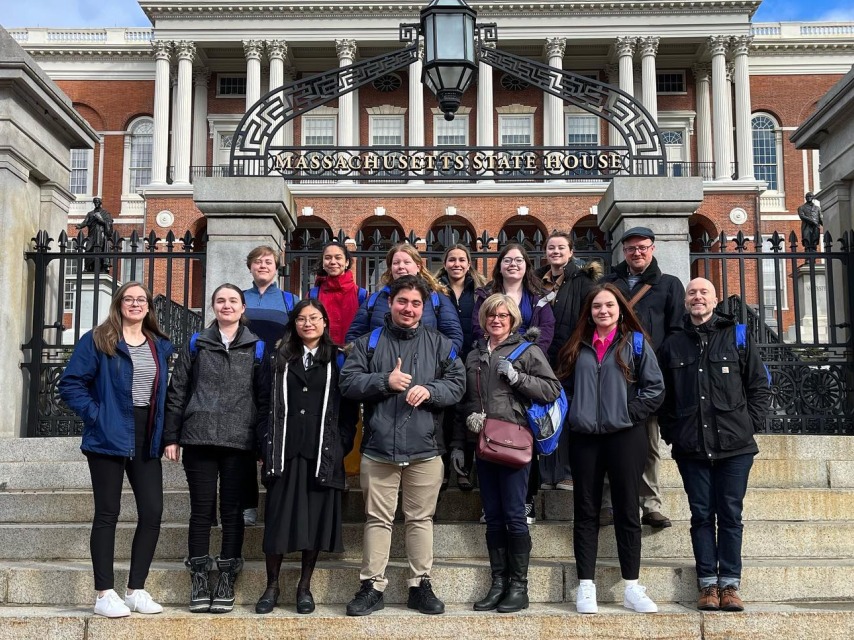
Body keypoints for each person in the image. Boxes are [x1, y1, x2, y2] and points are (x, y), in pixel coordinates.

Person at [339, 275, 466, 617]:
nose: (408, 308)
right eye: (402, 301)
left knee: (420, 519)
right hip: (379, 448)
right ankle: (372, 585)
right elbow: (347, 382)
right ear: (390, 302)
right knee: (377, 519)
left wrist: (431, 391)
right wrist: (385, 381)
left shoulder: (440, 343)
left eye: (415, 303)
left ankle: (419, 585)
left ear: (423, 308)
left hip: (425, 448)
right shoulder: (369, 342)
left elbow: (458, 383)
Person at [58, 281, 173, 618]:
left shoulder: (160, 345)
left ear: (149, 307)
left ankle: (136, 590)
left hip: (145, 433)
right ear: (119, 303)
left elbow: (162, 394)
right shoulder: (98, 339)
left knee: (152, 512)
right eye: (129, 299)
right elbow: (70, 384)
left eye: (142, 299)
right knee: (108, 513)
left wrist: (166, 433)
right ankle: (104, 593)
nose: (136, 304)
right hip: (108, 433)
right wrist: (97, 415)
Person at [658, 278, 771, 612]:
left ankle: (730, 584)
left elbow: (759, 386)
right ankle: (708, 584)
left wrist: (749, 425)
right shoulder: (674, 344)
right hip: (691, 446)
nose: (697, 297)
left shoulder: (736, 335)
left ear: (715, 299)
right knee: (701, 514)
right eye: (692, 293)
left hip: (735, 446)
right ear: (685, 301)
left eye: (704, 292)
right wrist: (672, 433)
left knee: (731, 514)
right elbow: (663, 396)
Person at [555, 283, 665, 615]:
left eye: (609, 306)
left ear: (620, 309)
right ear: (589, 312)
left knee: (627, 510)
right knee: (586, 511)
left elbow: (655, 389)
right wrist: (576, 414)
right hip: (586, 438)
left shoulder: (635, 343)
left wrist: (627, 414)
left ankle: (631, 586)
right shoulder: (578, 346)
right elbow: (564, 387)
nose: (603, 311)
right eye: (597, 307)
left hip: (625, 436)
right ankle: (585, 585)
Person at [164, 283, 271, 614]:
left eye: (233, 301)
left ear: (243, 309)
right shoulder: (196, 343)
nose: (227, 305)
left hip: (239, 439)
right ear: (213, 307)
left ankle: (227, 573)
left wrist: (261, 440)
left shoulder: (258, 348)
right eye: (221, 300)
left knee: (232, 510)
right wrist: (171, 435)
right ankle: (198, 574)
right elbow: (178, 389)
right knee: (201, 509)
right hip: (199, 436)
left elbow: (265, 397)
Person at [451, 293, 560, 613]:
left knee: (514, 516)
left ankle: (519, 586)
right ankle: (498, 583)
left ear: (512, 320)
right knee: (494, 517)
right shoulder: (473, 356)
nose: (496, 320)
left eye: (503, 316)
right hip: (483, 445)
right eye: (490, 315)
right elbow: (465, 404)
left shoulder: (528, 351)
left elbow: (551, 389)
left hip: (514, 442)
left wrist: (518, 378)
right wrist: (460, 442)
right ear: (483, 320)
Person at [255, 299, 358, 615]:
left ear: (325, 322)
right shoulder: (277, 358)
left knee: (313, 521)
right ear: (294, 324)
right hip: (284, 451)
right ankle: (272, 586)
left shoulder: (338, 360)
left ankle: (304, 586)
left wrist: (340, 444)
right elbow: (262, 403)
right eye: (301, 318)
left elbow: (349, 410)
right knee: (277, 520)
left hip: (321, 452)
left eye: (314, 318)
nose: (308, 323)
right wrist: (265, 442)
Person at [602, 226, 684, 529]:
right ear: (623, 251)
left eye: (642, 247)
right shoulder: (609, 283)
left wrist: (663, 373)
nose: (637, 253)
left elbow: (676, 332)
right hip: (611, 374)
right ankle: (609, 504)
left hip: (648, 378)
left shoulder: (669, 285)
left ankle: (650, 504)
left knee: (649, 442)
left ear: (653, 248)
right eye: (631, 248)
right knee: (609, 440)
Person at [472, 242, 555, 523]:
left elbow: (547, 328)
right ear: (500, 264)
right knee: (491, 440)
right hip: (491, 369)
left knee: (521, 443)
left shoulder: (537, 295)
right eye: (507, 259)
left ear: (526, 265)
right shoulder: (485, 293)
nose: (513, 265)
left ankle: (526, 501)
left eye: (519, 260)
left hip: (523, 370)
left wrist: (527, 357)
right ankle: (491, 504)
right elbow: (477, 325)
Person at [534, 230, 601, 490]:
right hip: (541, 357)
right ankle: (545, 474)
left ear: (571, 252)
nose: (556, 252)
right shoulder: (537, 280)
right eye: (551, 248)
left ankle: (565, 473)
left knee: (566, 414)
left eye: (561, 248)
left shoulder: (584, 281)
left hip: (571, 356)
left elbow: (590, 318)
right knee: (542, 414)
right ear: (545, 252)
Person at [242, 245, 299, 526]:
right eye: (258, 262)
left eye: (268, 261)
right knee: (244, 440)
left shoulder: (290, 300)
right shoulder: (239, 298)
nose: (263, 265)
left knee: (272, 435)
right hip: (243, 373)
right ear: (250, 267)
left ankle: (274, 500)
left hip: (277, 372)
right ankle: (247, 504)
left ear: (277, 268)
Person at [345, 243, 463, 353]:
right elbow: (355, 336)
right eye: (396, 263)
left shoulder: (436, 298)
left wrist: (436, 363)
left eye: (407, 262)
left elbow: (453, 336)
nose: (401, 267)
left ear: (418, 267)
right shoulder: (374, 300)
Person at [435, 243, 486, 491]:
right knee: (444, 414)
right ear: (444, 264)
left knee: (468, 413)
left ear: (469, 264)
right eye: (452, 259)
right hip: (442, 360)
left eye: (461, 260)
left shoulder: (480, 291)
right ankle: (443, 469)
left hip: (472, 358)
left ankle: (464, 469)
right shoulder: (435, 291)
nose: (457, 264)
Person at [308, 241, 366, 345]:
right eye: (328, 258)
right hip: (321, 355)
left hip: (352, 356)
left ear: (347, 262)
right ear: (323, 263)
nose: (333, 262)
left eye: (338, 257)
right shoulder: (313, 295)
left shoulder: (361, 295)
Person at [76, 197, 114, 272]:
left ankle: (103, 266)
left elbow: (109, 223)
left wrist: (101, 220)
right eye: (95, 202)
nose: (96, 203)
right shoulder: (90, 214)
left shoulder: (105, 213)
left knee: (101, 250)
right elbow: (85, 222)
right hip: (92, 235)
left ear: (100, 203)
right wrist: (80, 226)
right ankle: (87, 266)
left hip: (101, 235)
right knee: (89, 249)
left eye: (97, 202)